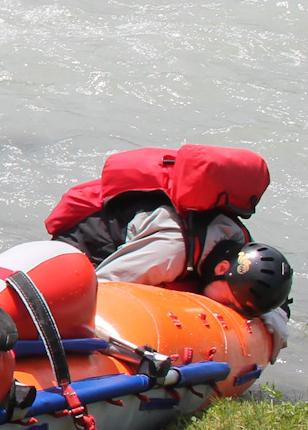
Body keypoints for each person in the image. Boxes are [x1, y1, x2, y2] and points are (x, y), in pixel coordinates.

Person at [46, 144, 292, 342]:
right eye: (228, 303)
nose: (227, 309)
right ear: (220, 268)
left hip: (152, 245)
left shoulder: (238, 241)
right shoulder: (170, 251)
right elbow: (103, 287)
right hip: (89, 245)